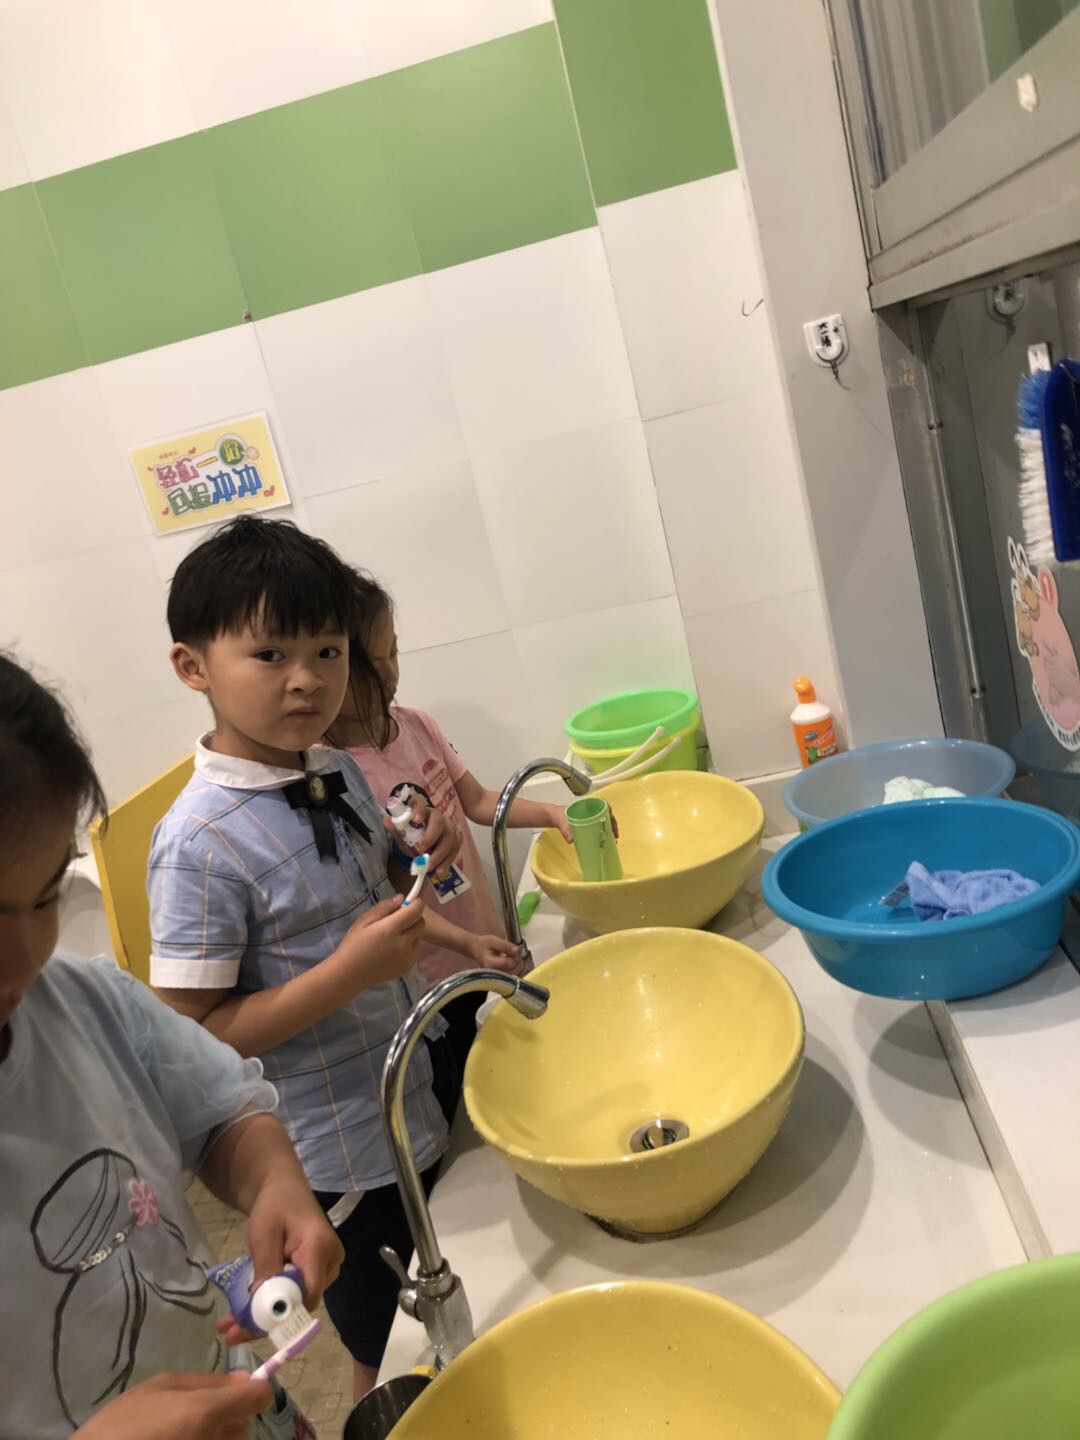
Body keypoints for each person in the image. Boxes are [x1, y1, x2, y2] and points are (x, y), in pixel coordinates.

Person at [148, 517, 516, 1402]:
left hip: (412, 1089)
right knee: (383, 1345)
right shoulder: (196, 841)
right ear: (194, 667)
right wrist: (347, 973)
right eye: (270, 655)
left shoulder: (335, 770)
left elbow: (379, 896)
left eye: (328, 651)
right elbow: (193, 1038)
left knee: (445, 1297)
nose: (308, 678)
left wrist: (423, 858)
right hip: (337, 1155)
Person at [0, 652, 342, 1439]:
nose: (22, 959)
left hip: (237, 1403)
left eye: (45, 899)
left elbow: (223, 1112)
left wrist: (275, 1183)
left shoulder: (88, 1003)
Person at [327, 567, 572, 1079]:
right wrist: (464, 944)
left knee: (524, 1066)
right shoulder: (337, 776)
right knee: (469, 1082)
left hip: (485, 942)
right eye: (370, 664)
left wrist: (550, 814)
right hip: (433, 975)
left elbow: (479, 801)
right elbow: (386, 900)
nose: (389, 675)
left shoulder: (417, 724)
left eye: (393, 653)